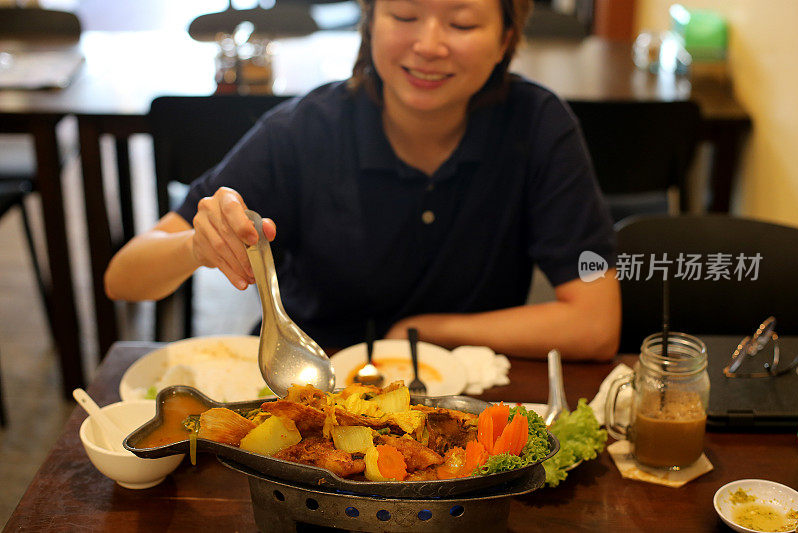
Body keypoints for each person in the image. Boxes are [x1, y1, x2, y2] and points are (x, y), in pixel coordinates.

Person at [104, 0, 621, 360]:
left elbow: (596, 323)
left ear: (506, 38)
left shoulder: (537, 125)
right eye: (403, 15)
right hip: (311, 386)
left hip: (463, 398)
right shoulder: (305, 129)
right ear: (370, 21)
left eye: (462, 23)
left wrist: (426, 332)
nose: (429, 44)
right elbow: (123, 277)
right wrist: (196, 246)